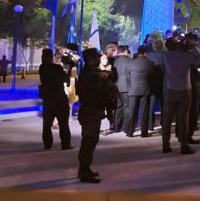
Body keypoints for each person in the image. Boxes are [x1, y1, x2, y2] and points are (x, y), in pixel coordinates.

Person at [161, 37, 200, 155]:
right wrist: (193, 46)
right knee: (184, 118)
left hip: (171, 89)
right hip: (185, 89)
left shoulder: (166, 56)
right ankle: (184, 145)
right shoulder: (185, 56)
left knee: (168, 119)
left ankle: (165, 144)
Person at [76, 48, 110, 183]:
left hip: (94, 112)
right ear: (89, 60)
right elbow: (94, 91)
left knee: (92, 141)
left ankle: (85, 169)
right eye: (95, 58)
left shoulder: (92, 73)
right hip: (90, 112)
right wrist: (102, 79)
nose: (98, 60)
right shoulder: (87, 75)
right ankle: (84, 171)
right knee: (88, 142)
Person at [39, 48, 73, 150]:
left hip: (48, 99)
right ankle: (66, 144)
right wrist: (71, 66)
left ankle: (47, 143)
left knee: (47, 123)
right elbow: (66, 79)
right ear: (51, 57)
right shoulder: (56, 68)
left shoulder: (42, 68)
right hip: (59, 98)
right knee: (63, 123)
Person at [126, 46, 153, 137]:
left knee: (132, 111)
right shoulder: (149, 63)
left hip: (133, 89)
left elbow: (128, 76)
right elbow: (151, 77)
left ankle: (130, 132)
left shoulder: (131, 63)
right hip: (145, 89)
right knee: (144, 112)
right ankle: (144, 133)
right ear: (145, 53)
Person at [147, 39, 165, 131]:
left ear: (153, 46)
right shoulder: (165, 54)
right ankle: (164, 124)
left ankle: (150, 125)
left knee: (151, 105)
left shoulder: (149, 55)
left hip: (152, 82)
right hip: (163, 81)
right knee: (164, 105)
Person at [114, 45, 131, 133]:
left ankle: (117, 126)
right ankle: (126, 127)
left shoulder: (114, 61)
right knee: (127, 106)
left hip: (116, 86)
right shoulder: (129, 60)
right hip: (127, 86)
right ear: (125, 51)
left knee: (118, 106)